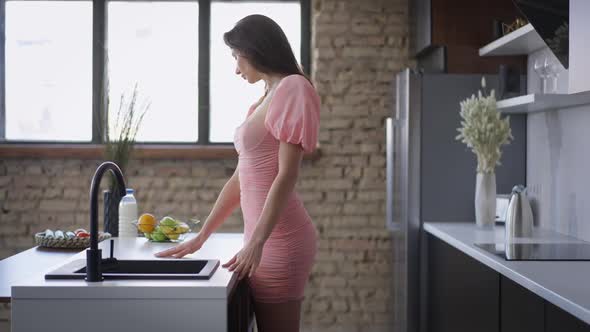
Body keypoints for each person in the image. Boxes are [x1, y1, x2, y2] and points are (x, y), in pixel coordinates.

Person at [155, 14, 320, 332]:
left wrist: (258, 242)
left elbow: (286, 175)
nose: (235, 68)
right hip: (258, 239)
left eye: (236, 56)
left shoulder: (293, 88)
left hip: (279, 239)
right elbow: (240, 179)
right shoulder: (262, 101)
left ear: (255, 49)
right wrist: (202, 236)